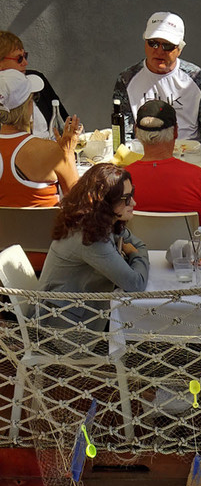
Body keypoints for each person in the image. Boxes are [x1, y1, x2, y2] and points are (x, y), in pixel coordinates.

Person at [127, 104, 201, 249]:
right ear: (176, 131)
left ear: (136, 131)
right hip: (192, 260)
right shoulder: (198, 178)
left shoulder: (122, 181)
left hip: (139, 260)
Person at [40, 163, 150, 294]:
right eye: (125, 198)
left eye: (132, 193)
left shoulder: (99, 221)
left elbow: (139, 245)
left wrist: (136, 253)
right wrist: (134, 254)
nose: (133, 202)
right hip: (63, 306)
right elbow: (136, 284)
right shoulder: (91, 238)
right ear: (105, 202)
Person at [0, 68, 79, 241]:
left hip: (3, 253)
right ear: (27, 106)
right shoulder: (51, 151)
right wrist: (68, 153)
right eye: (33, 99)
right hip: (49, 252)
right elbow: (80, 203)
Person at [114, 11, 201, 143]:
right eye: (153, 43)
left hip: (188, 150)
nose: (159, 51)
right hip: (143, 150)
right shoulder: (126, 79)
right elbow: (123, 133)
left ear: (179, 49)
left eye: (167, 46)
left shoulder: (197, 77)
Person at [0, 31, 66, 135]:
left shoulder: (36, 79)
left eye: (25, 56)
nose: (25, 63)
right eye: (19, 59)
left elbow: (64, 119)